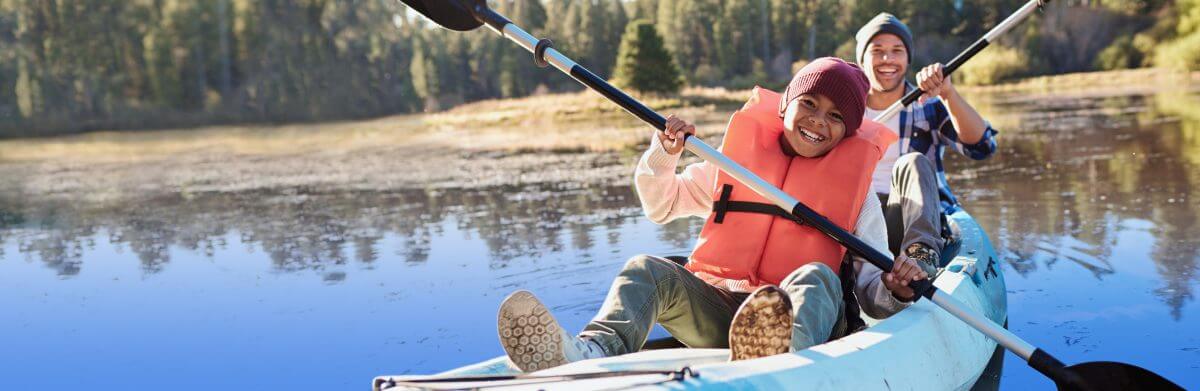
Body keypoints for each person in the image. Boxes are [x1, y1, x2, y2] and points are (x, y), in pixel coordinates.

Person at [495, 58, 929, 372]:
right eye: (809, 104)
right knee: (645, 269)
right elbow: (661, 205)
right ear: (785, 106)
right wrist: (665, 155)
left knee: (817, 274)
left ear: (849, 132)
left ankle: (785, 365)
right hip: (724, 312)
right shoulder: (735, 167)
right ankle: (588, 353)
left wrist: (894, 286)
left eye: (836, 117)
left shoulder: (859, 199)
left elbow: (874, 294)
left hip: (807, 323)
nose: (818, 121)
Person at [854, 13, 999, 272]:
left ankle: (921, 256)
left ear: (908, 58)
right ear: (861, 60)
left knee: (912, 162)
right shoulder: (846, 112)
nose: (888, 59)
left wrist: (948, 94)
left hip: (911, 219)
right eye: (878, 51)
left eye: (897, 50)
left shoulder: (929, 106)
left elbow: (982, 147)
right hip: (858, 223)